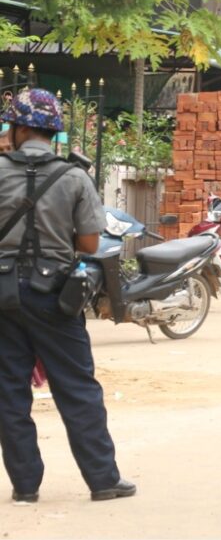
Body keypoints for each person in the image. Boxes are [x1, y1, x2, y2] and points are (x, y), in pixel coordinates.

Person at [0, 88, 136, 503]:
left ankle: (25, 487)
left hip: (3, 293)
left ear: (20, 128)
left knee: (9, 392)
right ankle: (103, 481)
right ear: (53, 133)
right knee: (77, 388)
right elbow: (91, 244)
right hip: (55, 296)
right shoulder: (74, 176)